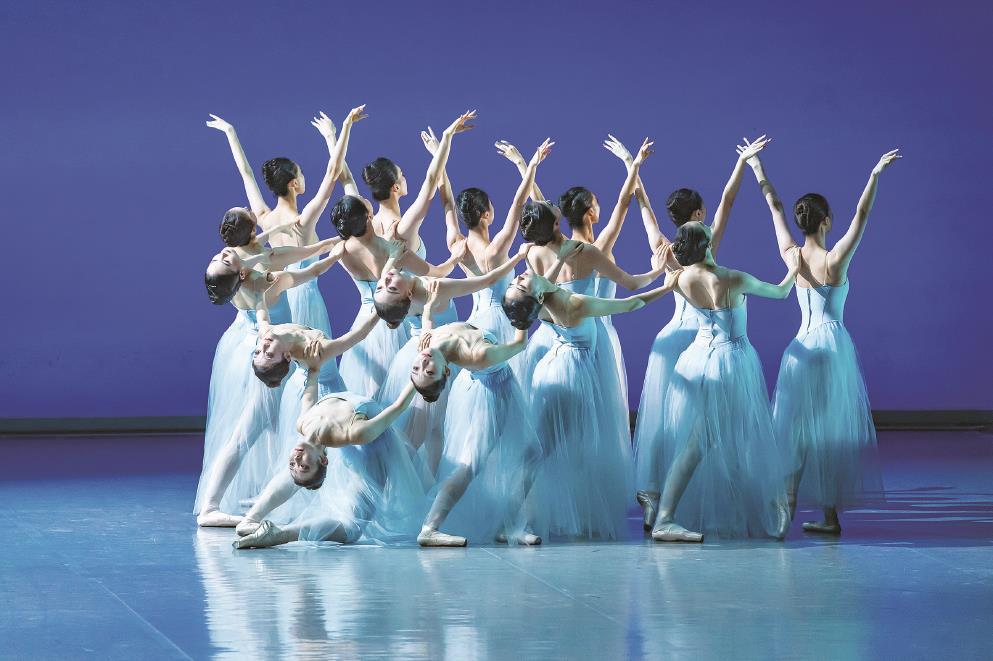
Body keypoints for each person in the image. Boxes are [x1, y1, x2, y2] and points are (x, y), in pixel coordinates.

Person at [611, 134, 771, 531]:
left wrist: (632, 164)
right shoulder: (704, 242)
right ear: (698, 213)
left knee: (665, 423)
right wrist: (744, 163)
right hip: (703, 342)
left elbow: (643, 206)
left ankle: (655, 499)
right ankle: (708, 499)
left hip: (671, 343)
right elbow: (729, 200)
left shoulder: (665, 249)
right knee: (708, 427)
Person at [746, 147, 900, 534]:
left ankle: (787, 511)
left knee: (796, 432)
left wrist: (757, 167)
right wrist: (874, 174)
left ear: (802, 223)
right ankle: (830, 516)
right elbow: (862, 215)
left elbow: (774, 207)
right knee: (828, 432)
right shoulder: (835, 261)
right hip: (832, 348)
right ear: (826, 221)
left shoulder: (792, 256)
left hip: (801, 348)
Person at [502, 245, 679, 540]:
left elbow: (544, 284)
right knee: (539, 452)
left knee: (549, 450)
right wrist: (666, 285)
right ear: (535, 295)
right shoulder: (574, 303)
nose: (520, 276)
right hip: (567, 376)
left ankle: (526, 518)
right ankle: (512, 521)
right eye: (520, 283)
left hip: (556, 369)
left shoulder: (545, 301)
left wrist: (560, 258)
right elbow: (631, 304)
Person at [648, 222, 798, 542]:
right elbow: (782, 292)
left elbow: (669, 268)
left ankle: (671, 514)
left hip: (698, 359)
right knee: (736, 436)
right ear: (706, 244)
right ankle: (666, 517)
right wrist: (794, 269)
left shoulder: (681, 278)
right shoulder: (732, 278)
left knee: (701, 442)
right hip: (730, 362)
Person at [195, 244, 345, 526]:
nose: (224, 252)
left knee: (260, 432)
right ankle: (211, 507)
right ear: (239, 272)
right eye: (222, 259)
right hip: (277, 364)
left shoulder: (238, 284)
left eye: (219, 256)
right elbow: (309, 269)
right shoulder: (266, 283)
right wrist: (332, 252)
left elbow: (263, 258)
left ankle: (224, 502)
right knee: (250, 434)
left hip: (264, 358)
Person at [375, 242, 537, 475]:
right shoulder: (435, 288)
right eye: (389, 287)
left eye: (382, 285)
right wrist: (518, 257)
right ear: (407, 295)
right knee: (431, 426)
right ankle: (399, 474)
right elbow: (488, 280)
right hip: (439, 354)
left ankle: (412, 473)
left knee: (428, 426)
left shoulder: (390, 292)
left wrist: (393, 258)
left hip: (424, 349)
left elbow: (388, 279)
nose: (386, 280)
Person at [409, 282, 544, 547]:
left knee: (532, 453)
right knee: (470, 465)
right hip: (492, 395)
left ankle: (509, 524)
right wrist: (525, 307)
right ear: (446, 371)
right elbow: (519, 345)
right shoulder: (477, 355)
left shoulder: (428, 345)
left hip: (493, 385)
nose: (423, 363)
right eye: (429, 371)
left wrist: (429, 306)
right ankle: (430, 528)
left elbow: (426, 322)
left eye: (417, 368)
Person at [233, 379, 427, 548]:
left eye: (292, 464)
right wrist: (416, 377)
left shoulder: (302, 423)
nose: (296, 460)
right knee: (351, 529)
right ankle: (281, 534)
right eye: (304, 466)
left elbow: (310, 387)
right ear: (323, 459)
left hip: (347, 434)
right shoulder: (357, 433)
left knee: (348, 522)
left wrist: (313, 368)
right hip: (374, 447)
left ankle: (255, 519)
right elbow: (398, 407)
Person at [331, 194, 465, 396]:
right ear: (369, 215)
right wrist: (455, 258)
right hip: (398, 319)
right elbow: (437, 273)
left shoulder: (341, 251)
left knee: (371, 390)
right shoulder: (394, 250)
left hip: (366, 323)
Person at [362, 111, 477, 257]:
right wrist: (446, 137)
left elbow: (344, 177)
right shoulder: (402, 228)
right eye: (402, 175)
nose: (405, 178)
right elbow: (432, 179)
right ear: (395, 187)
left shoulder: (367, 226)